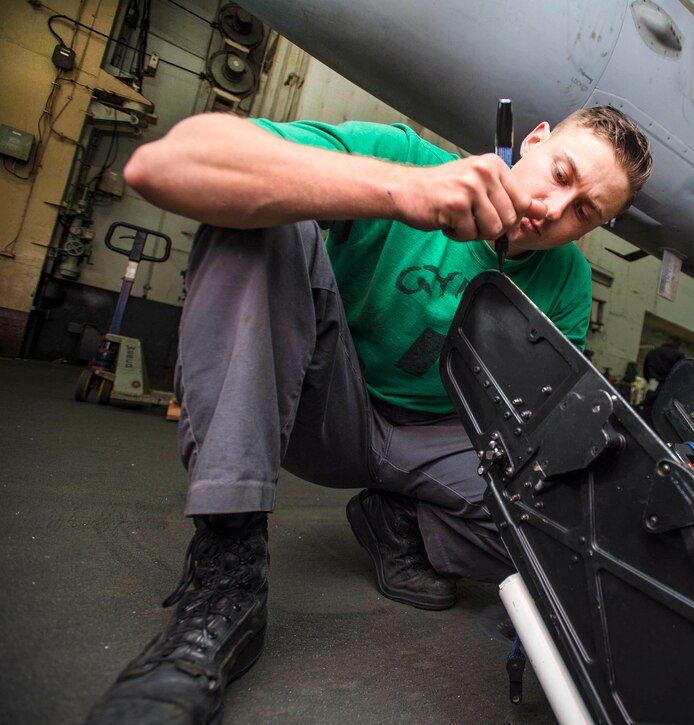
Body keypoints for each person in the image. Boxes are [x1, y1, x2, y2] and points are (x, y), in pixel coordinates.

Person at [82, 106, 652, 724]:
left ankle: (400, 523)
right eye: (560, 174)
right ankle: (228, 570)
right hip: (324, 404)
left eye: (584, 212)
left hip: (437, 442)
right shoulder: (408, 159)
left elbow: (531, 425)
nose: (554, 208)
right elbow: (163, 164)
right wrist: (400, 191)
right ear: (534, 140)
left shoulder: (566, 279)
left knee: (567, 538)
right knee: (268, 216)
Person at [641, 335, 685, 418]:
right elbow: (680, 375)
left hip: (652, 384)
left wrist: (652, 380)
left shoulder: (653, 352)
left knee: (646, 411)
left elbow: (645, 370)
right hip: (666, 388)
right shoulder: (678, 355)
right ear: (677, 343)